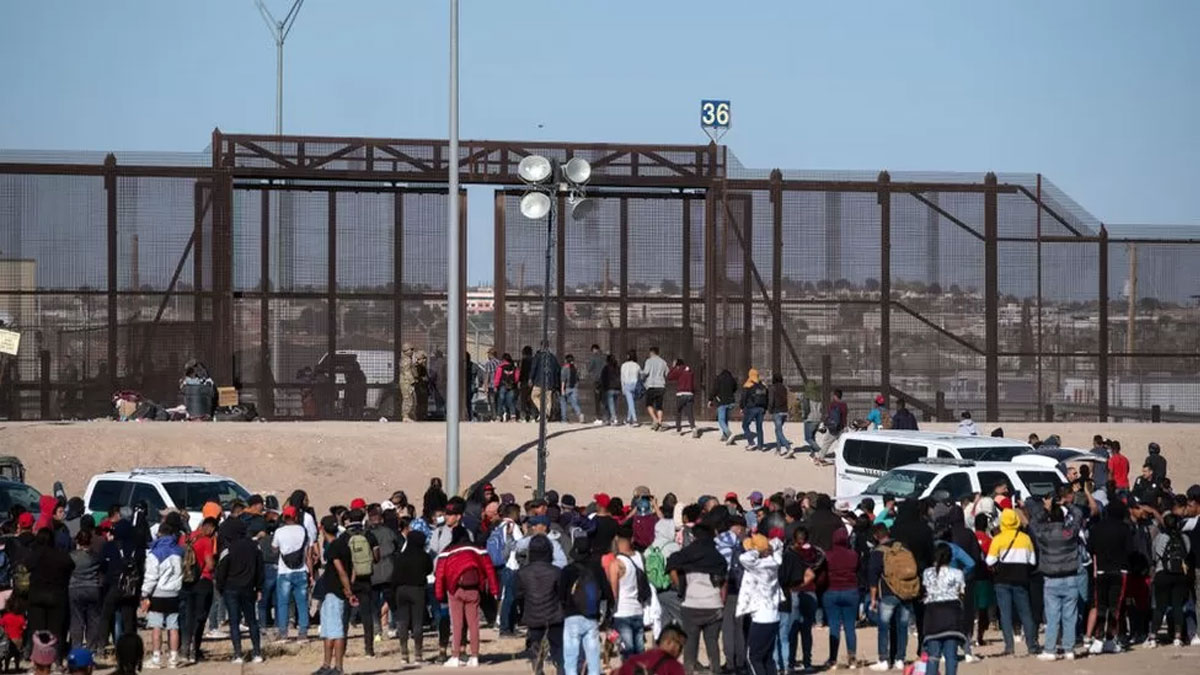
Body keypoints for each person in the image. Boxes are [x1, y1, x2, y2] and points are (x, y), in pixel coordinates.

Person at [666, 521, 727, 675]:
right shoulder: (717, 557)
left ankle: (689, 670)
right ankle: (715, 670)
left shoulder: (686, 554)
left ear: (694, 537)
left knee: (690, 643)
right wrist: (722, 600)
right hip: (714, 605)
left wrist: (679, 586)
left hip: (691, 604)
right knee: (712, 642)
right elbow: (723, 580)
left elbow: (671, 564)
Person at [435, 526, 498, 667]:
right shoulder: (478, 549)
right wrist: (494, 590)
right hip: (474, 589)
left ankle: (455, 656)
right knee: (473, 624)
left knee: (457, 624)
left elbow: (440, 574)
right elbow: (489, 569)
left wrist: (439, 594)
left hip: (455, 590)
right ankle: (474, 656)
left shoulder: (447, 551)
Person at [985, 508, 1039, 657]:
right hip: (1021, 579)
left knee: (1005, 614)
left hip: (1002, 580)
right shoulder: (1025, 538)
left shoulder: (998, 539)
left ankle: (1009, 646)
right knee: (1025, 613)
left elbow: (989, 561)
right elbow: (1032, 561)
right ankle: (1031, 645)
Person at [214, 518, 264, 664]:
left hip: (230, 589)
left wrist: (220, 588)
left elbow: (221, 571)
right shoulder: (255, 547)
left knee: (234, 622)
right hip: (249, 588)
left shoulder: (227, 549)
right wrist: (259, 587)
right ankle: (257, 653)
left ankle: (238, 654)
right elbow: (260, 569)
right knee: (252, 621)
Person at [867, 523, 914, 672]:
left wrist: (873, 599)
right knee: (902, 627)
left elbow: (873, 578)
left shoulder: (878, 552)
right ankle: (900, 659)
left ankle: (884, 659)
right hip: (906, 591)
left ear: (876, 536)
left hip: (888, 593)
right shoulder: (904, 548)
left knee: (883, 627)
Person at [1088, 499, 1133, 655]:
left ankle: (1098, 640)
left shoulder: (1096, 528)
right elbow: (1130, 550)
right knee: (1116, 608)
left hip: (1101, 570)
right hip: (1119, 571)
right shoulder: (1124, 528)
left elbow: (1090, 548)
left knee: (1100, 606)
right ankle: (1109, 640)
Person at [561, 537, 609, 675]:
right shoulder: (597, 570)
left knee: (571, 659)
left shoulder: (567, 570)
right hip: (591, 616)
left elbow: (561, 595)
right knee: (593, 659)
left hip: (571, 616)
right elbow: (606, 593)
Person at [517, 535, 564, 674]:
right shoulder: (556, 572)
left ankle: (538, 671)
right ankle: (561, 671)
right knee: (558, 649)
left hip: (533, 615)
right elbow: (562, 595)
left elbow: (518, 595)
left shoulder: (522, 573)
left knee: (535, 648)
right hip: (554, 616)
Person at [141, 522, 184, 669]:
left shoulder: (155, 553)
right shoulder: (179, 551)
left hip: (158, 593)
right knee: (173, 627)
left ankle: (156, 658)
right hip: (174, 593)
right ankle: (174, 658)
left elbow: (151, 576)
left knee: (156, 627)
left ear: (159, 534)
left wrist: (144, 593)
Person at [921, 544, 966, 675]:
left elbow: (925, 590)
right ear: (951, 558)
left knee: (933, 656)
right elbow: (961, 593)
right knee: (951, 656)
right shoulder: (958, 573)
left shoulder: (927, 573)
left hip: (933, 614)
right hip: (952, 614)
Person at [1146, 513, 1190, 647]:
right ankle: (1178, 637)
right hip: (1180, 575)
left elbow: (1154, 556)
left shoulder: (1160, 537)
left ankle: (1153, 637)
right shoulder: (1184, 538)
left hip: (1162, 574)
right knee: (1178, 606)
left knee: (1160, 607)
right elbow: (1187, 553)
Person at [822, 529, 860, 670]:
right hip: (850, 590)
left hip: (832, 590)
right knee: (850, 627)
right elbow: (857, 569)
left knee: (834, 626)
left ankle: (833, 659)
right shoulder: (853, 555)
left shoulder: (828, 555)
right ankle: (852, 658)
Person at [271, 505, 311, 642]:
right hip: (301, 570)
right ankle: (303, 633)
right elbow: (308, 554)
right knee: (302, 603)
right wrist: (310, 573)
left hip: (284, 572)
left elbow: (274, 548)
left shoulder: (279, 531)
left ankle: (283, 633)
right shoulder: (303, 531)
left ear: (284, 517)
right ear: (296, 517)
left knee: (283, 603)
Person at [393, 529, 432, 663]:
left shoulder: (400, 556)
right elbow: (429, 570)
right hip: (417, 589)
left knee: (403, 622)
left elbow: (394, 575)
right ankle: (418, 654)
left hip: (401, 590)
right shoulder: (424, 556)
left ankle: (404, 654)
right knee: (417, 622)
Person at [608, 528, 648, 658]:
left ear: (616, 539)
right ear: (632, 539)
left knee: (628, 652)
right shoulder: (640, 557)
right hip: (638, 610)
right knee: (640, 651)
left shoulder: (616, 563)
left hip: (622, 612)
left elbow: (614, 593)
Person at [68, 531, 102, 651]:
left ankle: (76, 647)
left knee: (77, 620)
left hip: (75, 588)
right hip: (93, 587)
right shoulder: (95, 556)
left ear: (77, 541)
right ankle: (91, 648)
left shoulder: (72, 556)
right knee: (93, 620)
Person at [615, 624, 687, 675]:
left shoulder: (634, 660)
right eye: (680, 645)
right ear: (668, 642)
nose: (680, 650)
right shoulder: (675, 667)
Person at [667, 358, 698, 437]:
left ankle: (678, 429)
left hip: (681, 394)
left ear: (677, 365)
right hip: (690, 393)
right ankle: (693, 428)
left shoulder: (679, 370)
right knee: (690, 413)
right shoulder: (690, 371)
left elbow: (669, 377)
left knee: (678, 412)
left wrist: (673, 367)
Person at [641, 346, 670, 431]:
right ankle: (660, 422)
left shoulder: (649, 361)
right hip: (661, 385)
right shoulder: (663, 362)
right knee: (659, 405)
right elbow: (667, 373)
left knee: (649, 404)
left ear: (651, 352)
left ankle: (655, 419)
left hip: (651, 385)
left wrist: (641, 375)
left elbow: (646, 372)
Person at [739, 369, 768, 451]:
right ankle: (760, 446)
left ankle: (751, 443)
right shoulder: (763, 386)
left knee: (745, 425)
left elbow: (744, 397)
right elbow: (767, 398)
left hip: (751, 408)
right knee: (759, 427)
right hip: (761, 408)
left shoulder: (748, 385)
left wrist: (742, 407)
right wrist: (765, 408)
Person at [710, 368, 739, 445]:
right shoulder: (732, 379)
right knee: (725, 419)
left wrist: (710, 399)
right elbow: (735, 388)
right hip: (730, 401)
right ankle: (725, 436)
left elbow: (715, 390)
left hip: (722, 401)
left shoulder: (718, 379)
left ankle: (729, 433)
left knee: (721, 420)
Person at [767, 373, 792, 457]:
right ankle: (778, 449)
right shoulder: (784, 388)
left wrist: (769, 410)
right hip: (784, 411)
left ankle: (788, 448)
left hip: (777, 411)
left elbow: (771, 400)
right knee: (778, 430)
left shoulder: (772, 388)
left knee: (778, 431)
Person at [560, 354, 585, 424]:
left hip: (566, 388)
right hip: (574, 388)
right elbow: (578, 378)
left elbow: (563, 380)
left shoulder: (564, 368)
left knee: (563, 403)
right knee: (574, 403)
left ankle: (564, 419)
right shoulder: (575, 368)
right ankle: (579, 414)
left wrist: (562, 389)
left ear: (566, 360)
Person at [494, 353, 520, 422]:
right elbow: (517, 378)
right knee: (510, 401)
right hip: (512, 386)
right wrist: (514, 383)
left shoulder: (500, 367)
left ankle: (499, 416)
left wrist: (496, 386)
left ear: (503, 359)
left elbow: (497, 377)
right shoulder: (514, 367)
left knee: (501, 401)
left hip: (502, 385)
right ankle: (513, 416)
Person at [621, 350, 643, 427]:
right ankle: (628, 419)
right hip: (635, 384)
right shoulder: (637, 365)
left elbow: (622, 378)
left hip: (627, 384)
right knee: (631, 402)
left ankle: (634, 419)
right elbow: (641, 374)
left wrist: (623, 387)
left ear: (628, 356)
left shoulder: (624, 365)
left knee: (630, 403)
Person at [600, 354, 623, 426]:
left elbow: (603, 378)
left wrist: (602, 387)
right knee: (614, 405)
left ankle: (613, 418)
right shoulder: (618, 368)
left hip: (609, 388)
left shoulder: (606, 368)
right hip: (617, 388)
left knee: (610, 405)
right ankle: (608, 419)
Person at [587, 344, 607, 424]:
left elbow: (589, 368)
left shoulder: (593, 358)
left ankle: (599, 417)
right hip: (604, 380)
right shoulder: (604, 357)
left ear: (593, 350)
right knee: (604, 399)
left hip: (597, 380)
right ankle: (606, 416)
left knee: (597, 400)